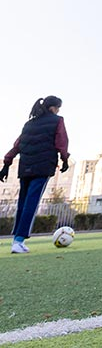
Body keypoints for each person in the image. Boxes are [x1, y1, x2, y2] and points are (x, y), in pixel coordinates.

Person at [1, 96, 70, 254]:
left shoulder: (29, 124)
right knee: (32, 203)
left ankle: (16, 241)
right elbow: (61, 142)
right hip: (43, 167)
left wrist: (6, 164)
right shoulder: (57, 120)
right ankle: (19, 241)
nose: (59, 111)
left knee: (23, 203)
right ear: (53, 108)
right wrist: (65, 159)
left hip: (25, 168)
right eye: (58, 108)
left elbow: (17, 145)